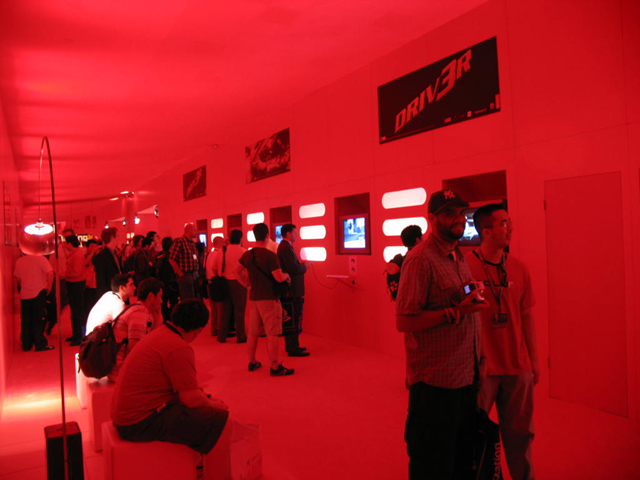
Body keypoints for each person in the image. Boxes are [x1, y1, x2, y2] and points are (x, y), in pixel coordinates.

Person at [395, 189, 488, 479]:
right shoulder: (420, 259)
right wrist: (456, 312)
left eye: (461, 213)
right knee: (432, 463)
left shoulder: (458, 255)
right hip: (435, 384)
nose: (458, 219)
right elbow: (404, 321)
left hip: (465, 377)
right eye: (449, 213)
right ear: (432, 219)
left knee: (460, 460)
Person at [465, 204, 539, 480]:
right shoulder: (464, 267)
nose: (511, 228)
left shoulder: (519, 268)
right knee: (474, 436)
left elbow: (526, 316)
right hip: (480, 369)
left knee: (521, 435)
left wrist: (533, 361)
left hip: (517, 367)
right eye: (504, 223)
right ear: (486, 232)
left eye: (510, 222)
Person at [111, 299, 230, 456]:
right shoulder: (178, 347)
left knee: (199, 406)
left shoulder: (160, 334)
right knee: (217, 419)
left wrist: (206, 398)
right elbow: (190, 399)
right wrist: (213, 405)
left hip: (124, 417)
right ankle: (210, 466)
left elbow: (183, 389)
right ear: (198, 330)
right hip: (136, 424)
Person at [236, 223, 294, 377]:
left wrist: (247, 285)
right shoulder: (270, 256)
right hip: (269, 298)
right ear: (267, 235)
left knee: (253, 333)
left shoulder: (248, 254)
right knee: (272, 333)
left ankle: (252, 361)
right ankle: (275, 366)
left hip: (254, 298)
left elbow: (236, 271)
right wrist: (287, 275)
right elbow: (278, 277)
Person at [108, 278, 164, 381]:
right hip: (121, 372)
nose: (161, 301)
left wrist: (157, 317)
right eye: (160, 296)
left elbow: (150, 341)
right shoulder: (138, 313)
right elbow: (135, 349)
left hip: (120, 369)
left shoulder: (137, 309)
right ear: (151, 296)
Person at [277, 223, 311, 357]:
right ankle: (292, 348)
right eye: (295, 232)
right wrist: (305, 267)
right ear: (288, 233)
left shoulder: (285, 247)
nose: (296, 235)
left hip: (292, 289)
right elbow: (293, 269)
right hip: (292, 290)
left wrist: (300, 265)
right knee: (293, 317)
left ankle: (293, 345)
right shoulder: (285, 248)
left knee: (294, 317)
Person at [14, 252, 54, 351]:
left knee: (26, 319)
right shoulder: (41, 259)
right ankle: (40, 343)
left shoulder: (19, 261)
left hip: (25, 293)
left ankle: (26, 344)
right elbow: (50, 273)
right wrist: (49, 287)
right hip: (38, 292)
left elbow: (18, 279)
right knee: (39, 319)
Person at [214, 229, 247, 343]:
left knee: (225, 311)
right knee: (239, 311)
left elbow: (215, 267)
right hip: (239, 282)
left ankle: (222, 336)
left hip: (224, 282)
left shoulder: (222, 251)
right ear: (240, 238)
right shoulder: (243, 251)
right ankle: (241, 336)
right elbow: (246, 269)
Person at [386, 225, 423, 301]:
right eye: (422, 237)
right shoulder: (418, 260)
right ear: (418, 240)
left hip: (402, 303)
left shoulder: (403, 260)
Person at [63, 234, 87, 345]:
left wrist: (64, 275)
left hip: (76, 284)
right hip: (74, 284)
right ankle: (76, 334)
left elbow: (77, 272)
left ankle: (78, 336)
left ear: (69, 243)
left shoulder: (77, 255)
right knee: (74, 311)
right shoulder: (75, 254)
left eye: (65, 242)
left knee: (77, 311)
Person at [169, 223, 200, 300]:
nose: (196, 232)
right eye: (194, 230)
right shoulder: (179, 242)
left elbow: (194, 257)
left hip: (194, 275)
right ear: (189, 230)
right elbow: (171, 259)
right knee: (188, 298)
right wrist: (180, 273)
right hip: (185, 275)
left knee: (194, 297)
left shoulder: (192, 243)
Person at [205, 236, 227, 340]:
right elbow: (217, 269)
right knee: (220, 309)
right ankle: (220, 329)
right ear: (221, 243)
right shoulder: (219, 254)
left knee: (213, 309)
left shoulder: (209, 254)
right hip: (217, 282)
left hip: (209, 282)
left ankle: (213, 329)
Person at [93, 227, 122, 297]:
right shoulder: (102, 256)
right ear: (112, 237)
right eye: (117, 236)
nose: (119, 238)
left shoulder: (114, 253)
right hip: (110, 292)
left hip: (117, 291)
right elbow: (101, 280)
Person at [156, 236, 179, 323]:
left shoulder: (159, 256)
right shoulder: (171, 257)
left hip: (162, 283)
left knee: (163, 303)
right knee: (174, 302)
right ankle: (172, 318)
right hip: (171, 283)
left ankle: (165, 319)